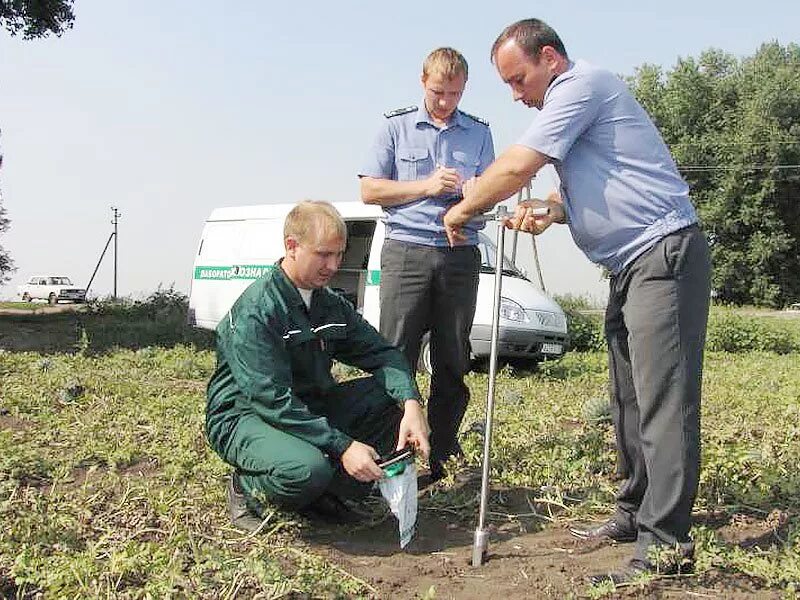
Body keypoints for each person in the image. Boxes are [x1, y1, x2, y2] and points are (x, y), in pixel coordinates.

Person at [443, 19, 711, 584]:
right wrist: (553, 211)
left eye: (519, 80)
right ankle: (635, 511)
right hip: (628, 266)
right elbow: (591, 182)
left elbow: (519, 164)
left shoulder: (581, 86)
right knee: (629, 399)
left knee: (664, 399)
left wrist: (465, 206)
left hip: (662, 255)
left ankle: (664, 547)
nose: (518, 95)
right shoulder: (573, 101)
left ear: (550, 59)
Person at [206, 200, 430, 528]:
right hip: (247, 416)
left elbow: (384, 355)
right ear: (292, 247)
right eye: (324, 254)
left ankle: (327, 495)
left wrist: (411, 404)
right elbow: (271, 400)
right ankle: (248, 487)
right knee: (306, 469)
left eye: (339, 254)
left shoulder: (329, 305)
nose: (333, 265)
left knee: (388, 400)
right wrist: (343, 446)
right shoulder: (259, 310)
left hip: (306, 406)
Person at [358, 47, 495, 480]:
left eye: (453, 93)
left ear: (464, 89)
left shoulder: (479, 133)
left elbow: (496, 190)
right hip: (407, 251)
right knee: (396, 349)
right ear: (423, 83)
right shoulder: (394, 126)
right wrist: (426, 185)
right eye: (438, 92)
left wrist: (477, 190)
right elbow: (370, 191)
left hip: (460, 254)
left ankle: (444, 450)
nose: (445, 101)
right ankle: (390, 445)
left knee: (453, 356)